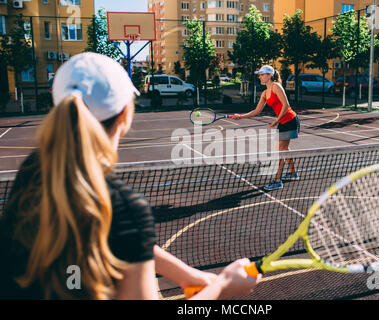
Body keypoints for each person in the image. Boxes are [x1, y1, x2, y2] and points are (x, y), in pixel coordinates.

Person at [0, 52, 259, 300]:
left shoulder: (34, 170)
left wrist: (187, 275)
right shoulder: (125, 206)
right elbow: (125, 227)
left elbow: (122, 234)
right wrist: (223, 285)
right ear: (125, 114)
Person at [231, 65, 300, 191]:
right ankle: (293, 173)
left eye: (262, 74)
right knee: (284, 148)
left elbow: (286, 105)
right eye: (260, 74)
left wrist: (276, 121)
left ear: (269, 75)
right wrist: (241, 116)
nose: (260, 76)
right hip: (283, 121)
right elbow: (256, 111)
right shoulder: (264, 93)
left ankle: (277, 180)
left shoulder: (276, 87)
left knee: (280, 150)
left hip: (289, 120)